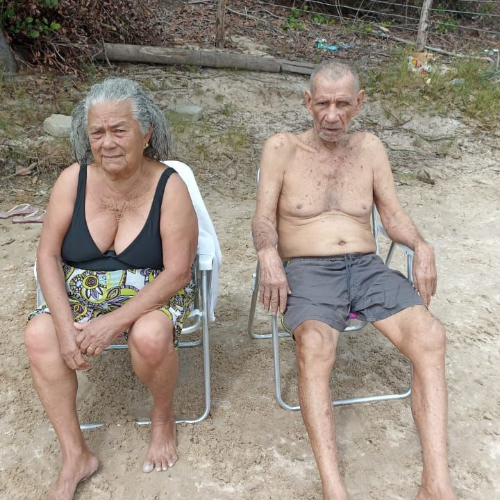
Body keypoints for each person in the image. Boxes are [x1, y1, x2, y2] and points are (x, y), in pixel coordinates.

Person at [252, 61, 457, 500]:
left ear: (359, 104)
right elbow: (263, 218)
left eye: (343, 104)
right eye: (322, 104)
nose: (331, 115)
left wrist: (421, 246)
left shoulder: (369, 148)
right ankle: (334, 490)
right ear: (307, 102)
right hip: (308, 268)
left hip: (366, 267)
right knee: (315, 345)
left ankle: (436, 486)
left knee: (430, 336)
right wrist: (267, 253)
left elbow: (393, 216)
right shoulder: (282, 148)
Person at [24, 77, 198, 500]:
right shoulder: (73, 181)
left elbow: (178, 272)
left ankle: (162, 416)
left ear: (146, 132)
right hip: (81, 294)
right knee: (39, 336)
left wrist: (112, 324)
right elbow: (46, 256)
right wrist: (64, 327)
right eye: (97, 132)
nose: (108, 143)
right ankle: (75, 455)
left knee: (150, 336)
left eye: (119, 129)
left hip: (152, 293)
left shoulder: (170, 186)